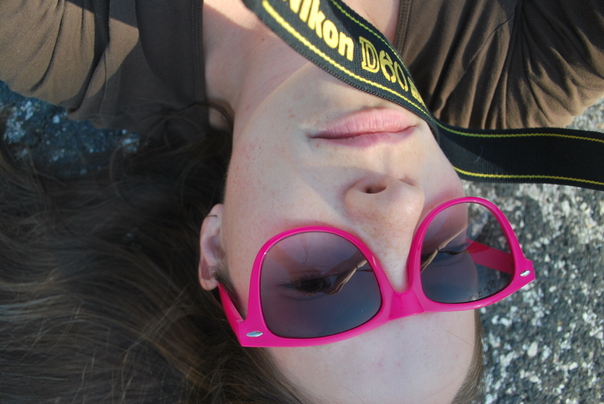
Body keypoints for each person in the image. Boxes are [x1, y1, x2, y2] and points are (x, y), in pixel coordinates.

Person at [0, 0, 602, 403]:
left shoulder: (62, 34)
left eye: (319, 281)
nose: (397, 206)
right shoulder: (515, 70)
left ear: (216, 248)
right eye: (444, 258)